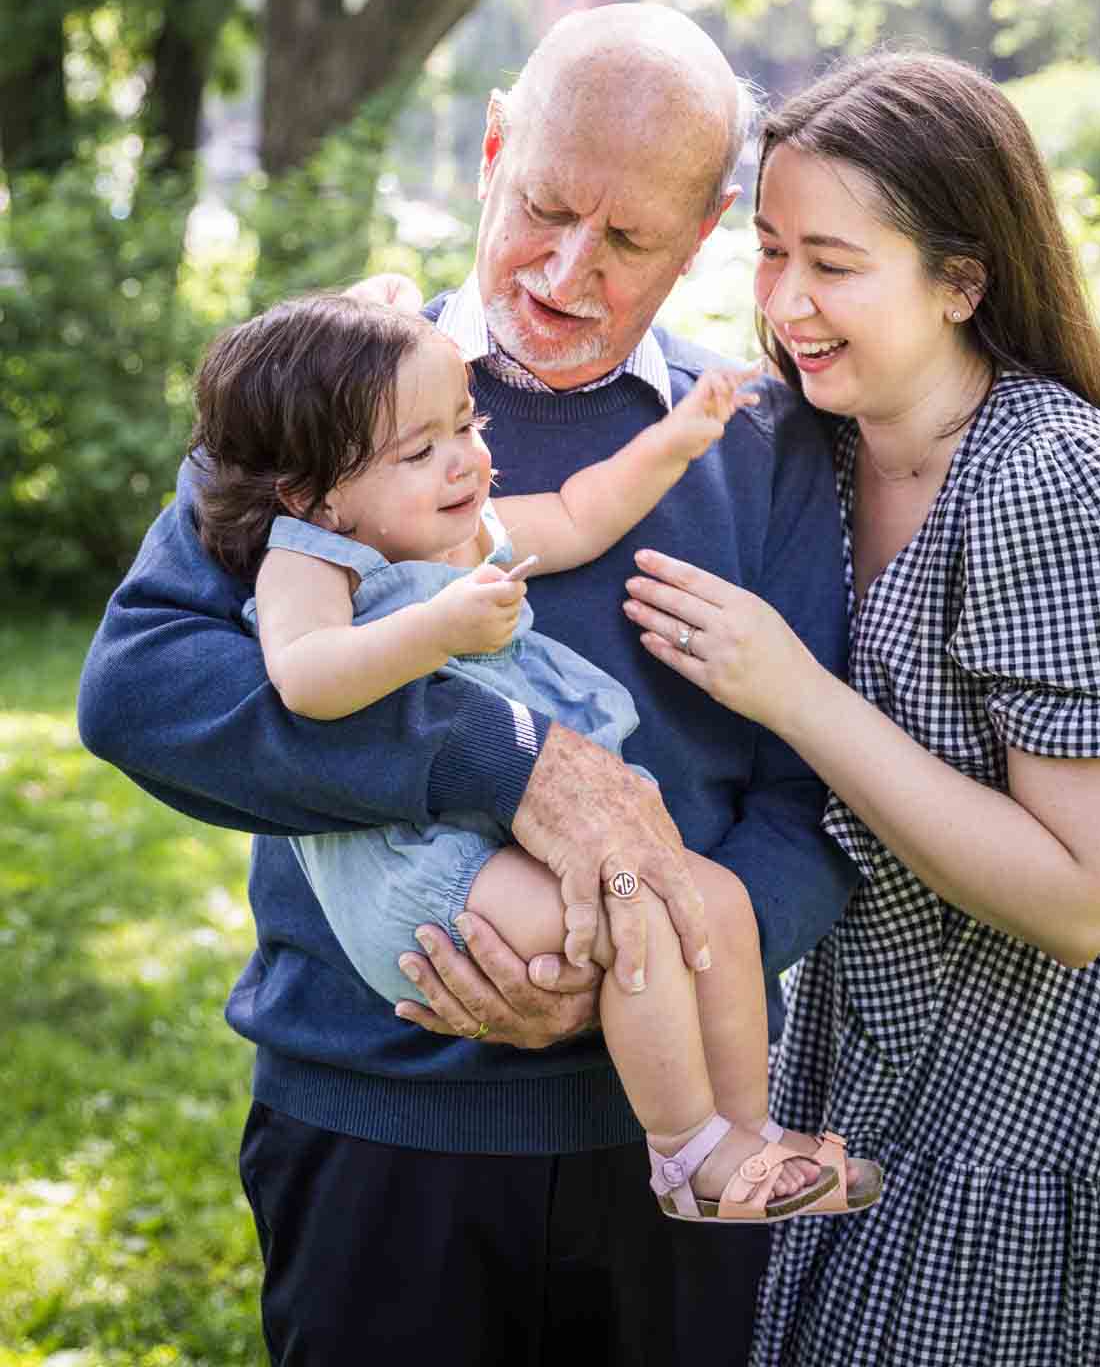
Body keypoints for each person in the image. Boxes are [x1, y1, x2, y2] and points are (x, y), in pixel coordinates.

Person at [78, 5, 859, 1365]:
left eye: (624, 242)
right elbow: (142, 689)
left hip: (666, 1130)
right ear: (494, 146)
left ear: (705, 229)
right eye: (544, 207)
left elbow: (822, 798)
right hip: (377, 1124)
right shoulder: (321, 394)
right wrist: (495, 756)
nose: (565, 270)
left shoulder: (764, 446)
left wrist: (648, 939)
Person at [623, 50, 1100, 1365]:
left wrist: (796, 695)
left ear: (961, 282)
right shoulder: (794, 446)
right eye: (766, 252)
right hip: (859, 1054)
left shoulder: (1050, 483)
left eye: (834, 263)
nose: (786, 303)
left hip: (1050, 1101)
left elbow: (1082, 899)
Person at [189, 289, 878, 1223]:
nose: (465, 457)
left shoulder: (461, 529)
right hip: (421, 871)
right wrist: (437, 628)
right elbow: (308, 680)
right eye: (419, 450)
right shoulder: (312, 562)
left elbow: (582, 512)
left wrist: (679, 438)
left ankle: (744, 1134)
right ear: (313, 493)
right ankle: (685, 1156)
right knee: (636, 920)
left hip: (508, 848)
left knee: (712, 904)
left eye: (465, 423)